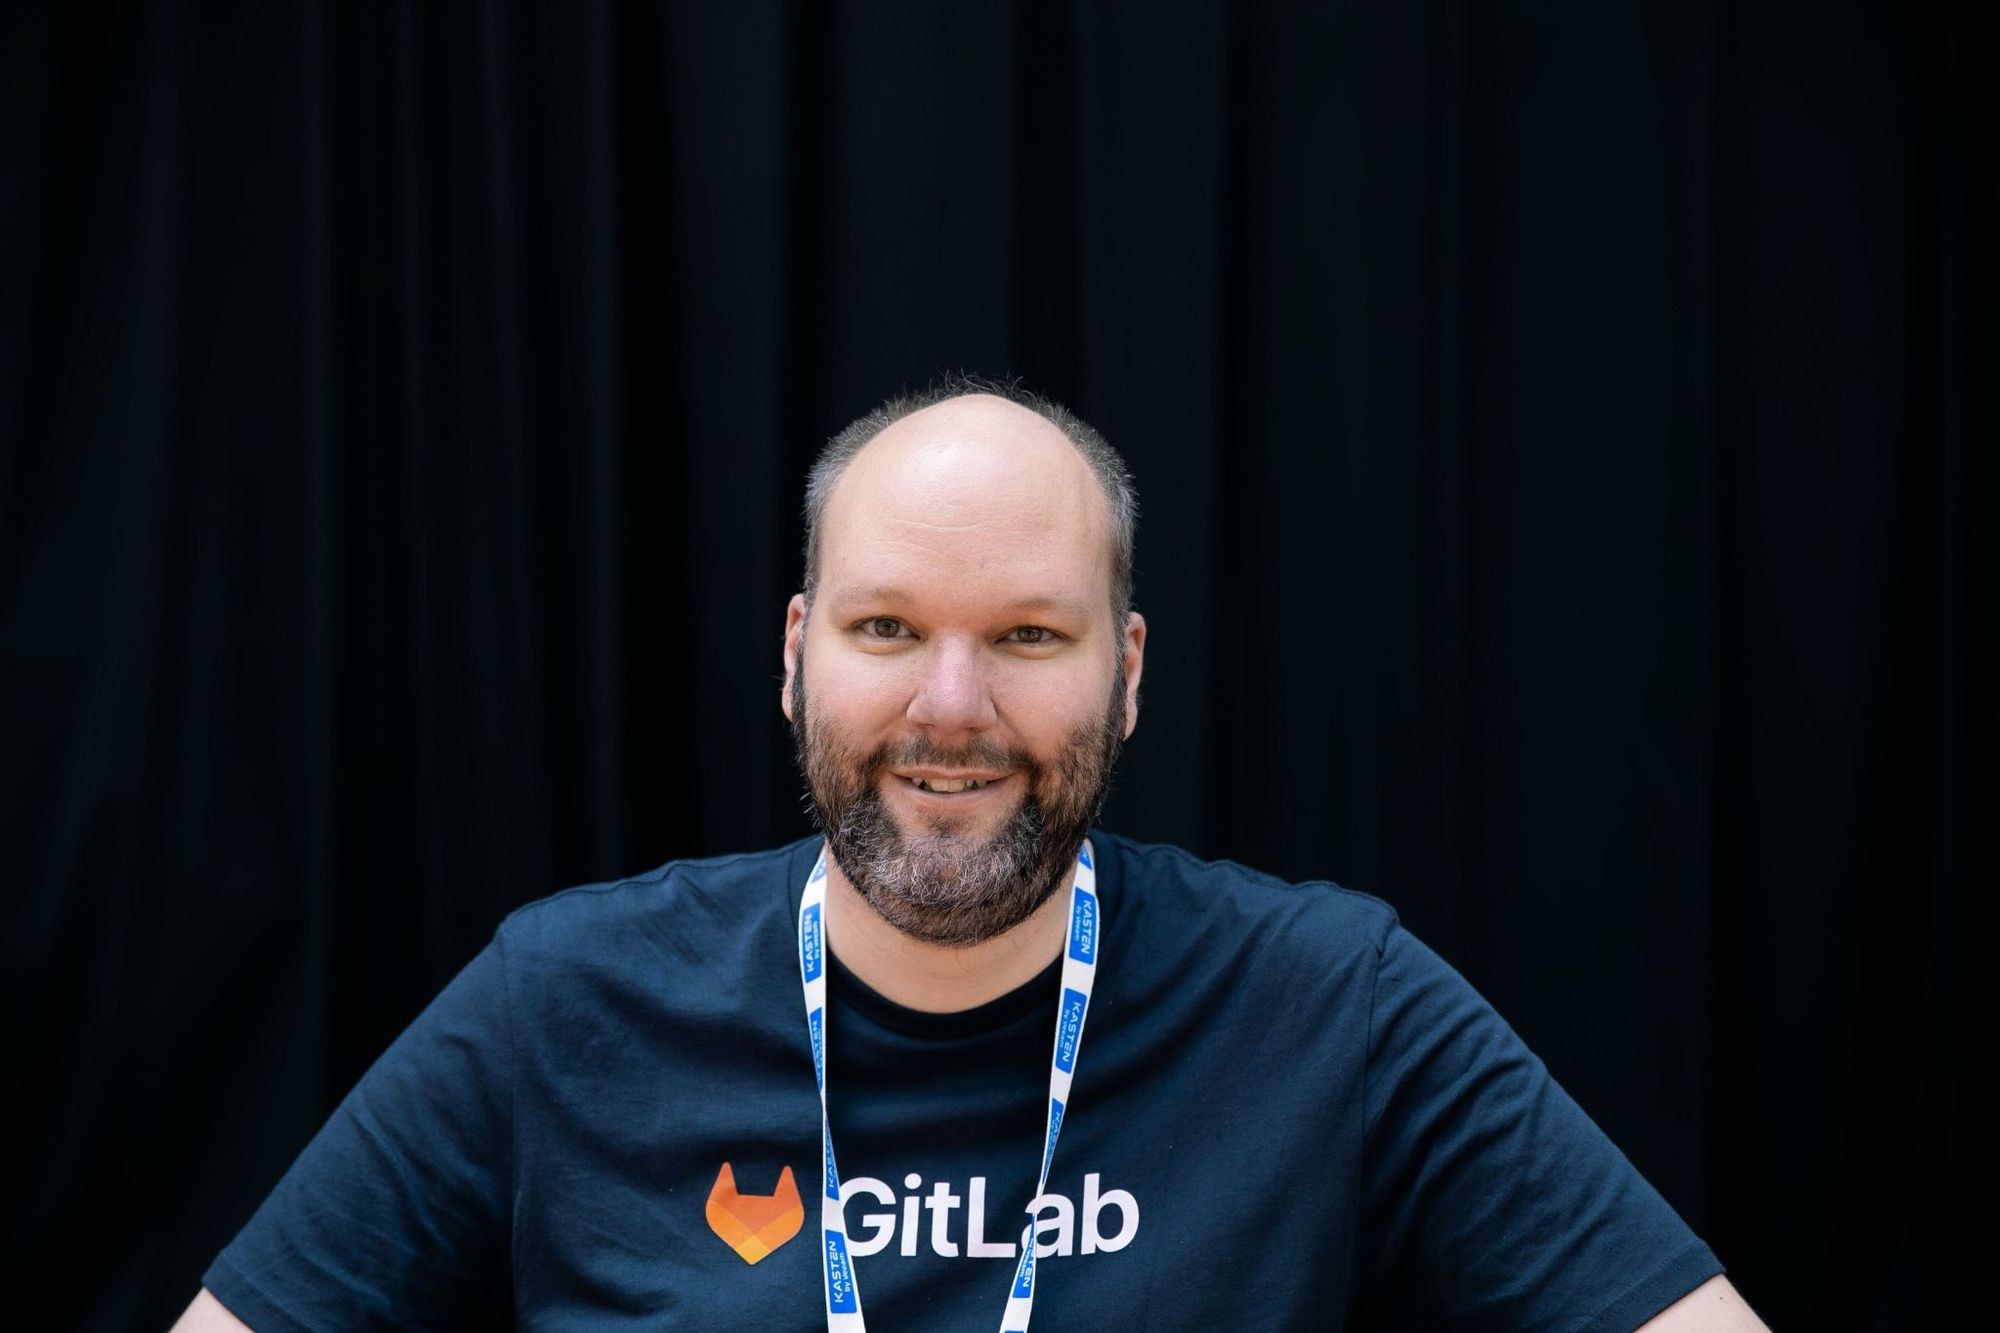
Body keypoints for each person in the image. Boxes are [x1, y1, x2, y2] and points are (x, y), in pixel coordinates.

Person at [174, 380, 1766, 1331]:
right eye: (886, 627)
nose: (952, 705)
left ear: (1129, 672)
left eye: (1025, 633)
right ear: (795, 653)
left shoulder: (1330, 1005)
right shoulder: (564, 1002)